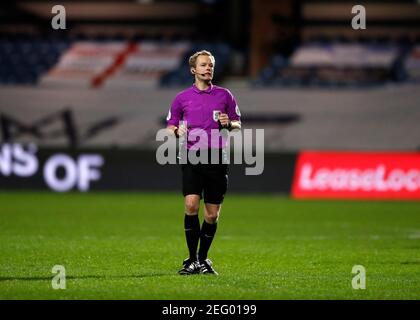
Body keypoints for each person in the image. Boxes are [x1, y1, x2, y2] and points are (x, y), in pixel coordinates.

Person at [166, 50, 241, 275]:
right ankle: (191, 259)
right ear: (193, 70)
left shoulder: (225, 95)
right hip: (191, 156)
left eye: (211, 65)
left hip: (217, 158)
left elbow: (237, 123)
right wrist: (176, 131)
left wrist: (229, 124)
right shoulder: (181, 98)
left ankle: (202, 259)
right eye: (204, 65)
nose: (208, 68)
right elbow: (170, 126)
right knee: (191, 206)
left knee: (211, 215)